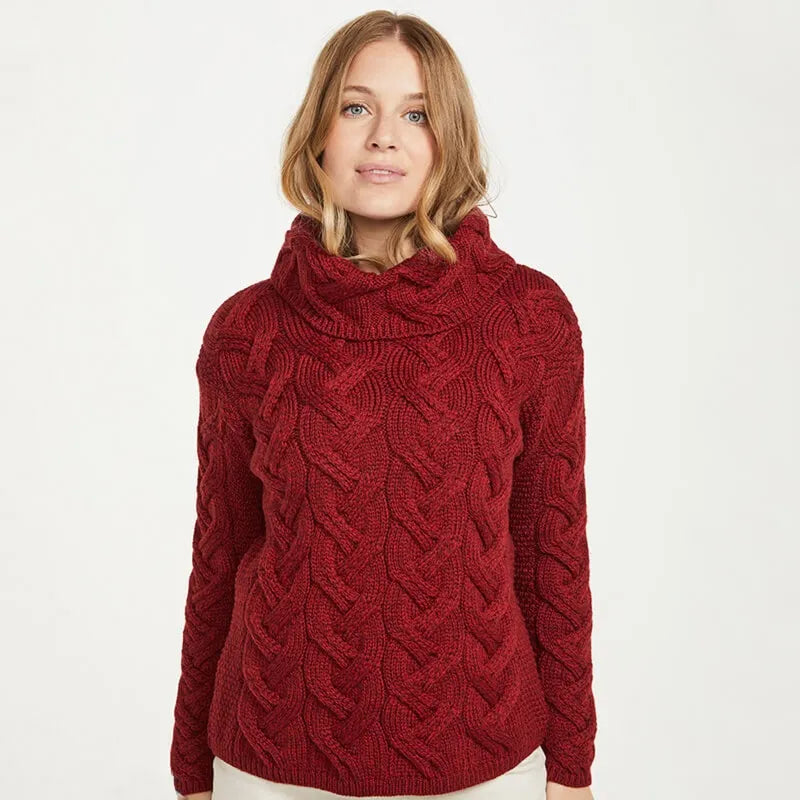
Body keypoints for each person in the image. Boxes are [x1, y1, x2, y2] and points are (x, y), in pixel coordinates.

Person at [169, 10, 597, 800]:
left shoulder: (528, 319)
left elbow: (552, 553)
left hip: (484, 763)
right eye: (356, 107)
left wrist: (572, 764)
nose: (384, 138)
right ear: (319, 134)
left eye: (418, 114)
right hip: (271, 762)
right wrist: (191, 764)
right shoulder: (247, 332)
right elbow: (219, 555)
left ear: (450, 140)